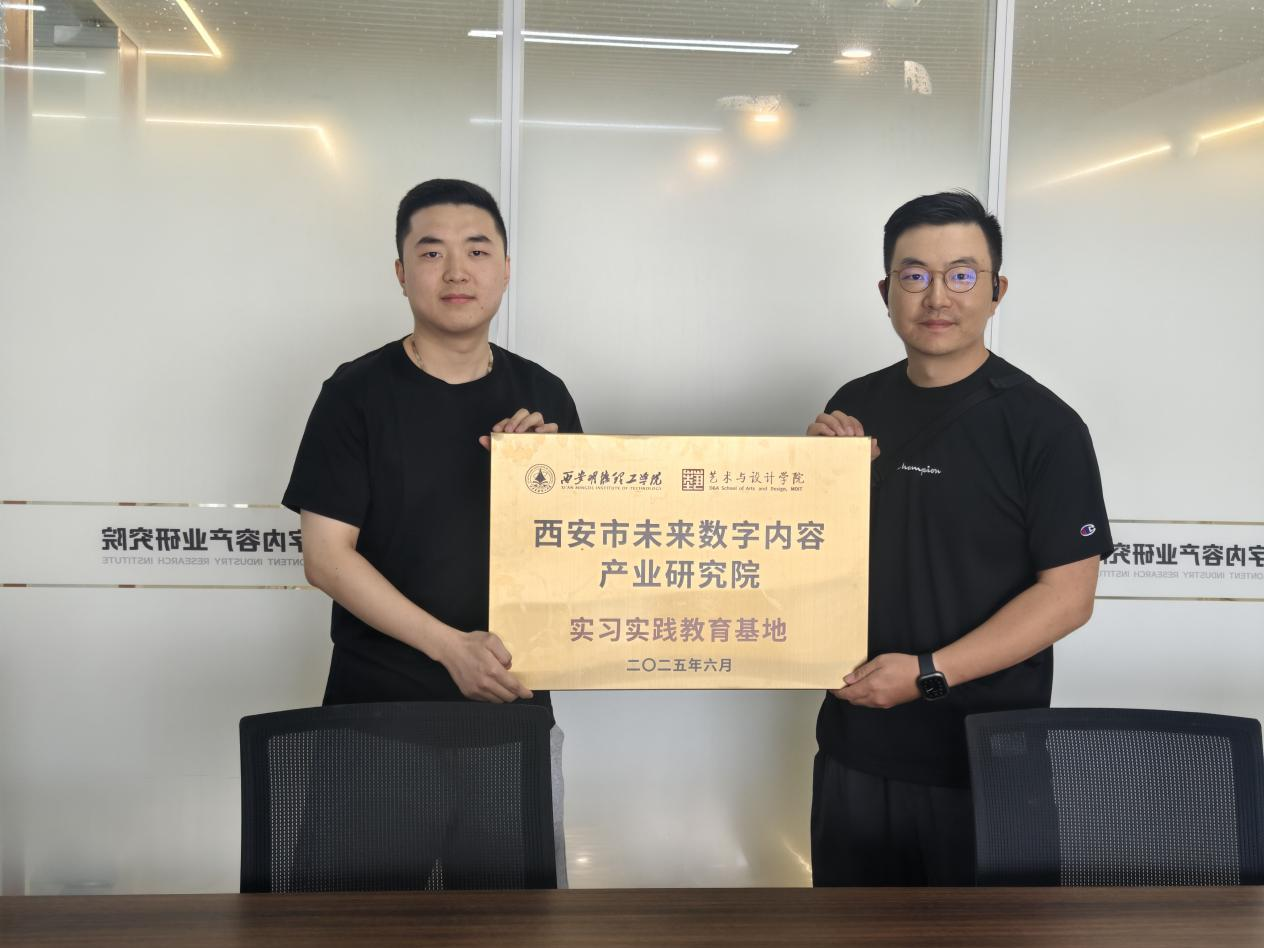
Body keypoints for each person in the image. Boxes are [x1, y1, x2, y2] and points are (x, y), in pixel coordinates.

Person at [806, 190, 1112, 885]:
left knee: (986, 933)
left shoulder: (1045, 427)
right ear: (885, 291)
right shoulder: (854, 406)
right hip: (855, 746)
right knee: (848, 932)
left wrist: (927, 672)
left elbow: (1068, 597)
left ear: (997, 290)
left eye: (962, 274)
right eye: (914, 275)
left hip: (987, 758)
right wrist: (810, 480)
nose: (937, 296)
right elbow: (814, 555)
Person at [282, 178, 580, 879]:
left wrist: (536, 484)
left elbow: (579, 558)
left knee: (509, 920)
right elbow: (326, 557)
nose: (456, 272)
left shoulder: (544, 397)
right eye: (431, 252)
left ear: (505, 269)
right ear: (400, 272)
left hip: (509, 711)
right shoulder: (355, 394)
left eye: (477, 250)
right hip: (379, 717)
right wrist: (451, 649)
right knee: (364, 922)